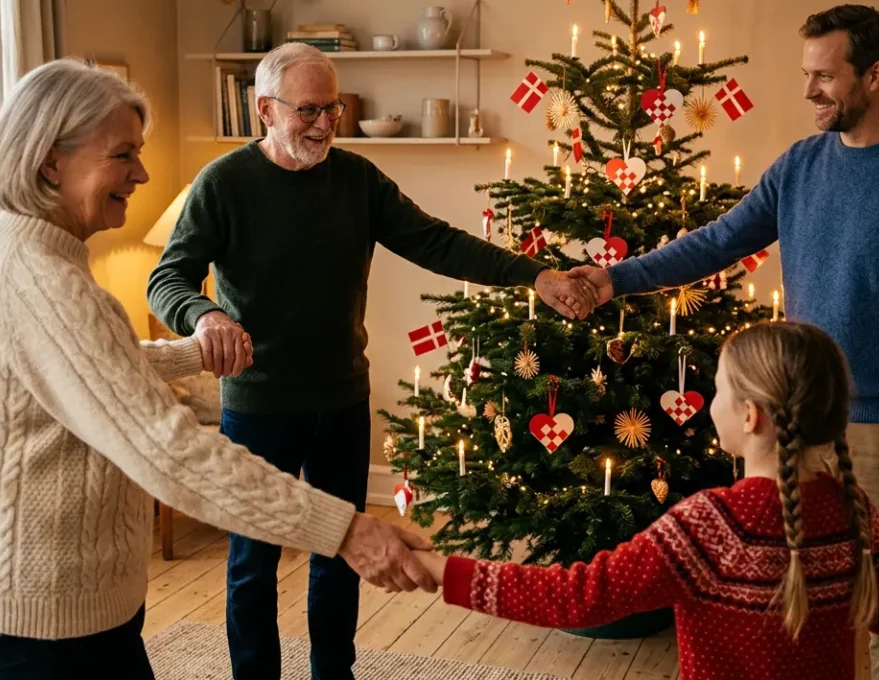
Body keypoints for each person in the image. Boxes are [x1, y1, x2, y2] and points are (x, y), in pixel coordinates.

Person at [0, 58, 438, 679]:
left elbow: (92, 364)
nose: (141, 173)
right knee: (252, 570)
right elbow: (168, 451)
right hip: (42, 603)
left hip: (39, 592)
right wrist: (347, 531)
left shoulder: (16, 250)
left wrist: (195, 353)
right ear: (50, 163)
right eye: (122, 155)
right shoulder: (43, 281)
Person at [145, 42, 597, 680]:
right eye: (308, 110)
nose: (324, 124)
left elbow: (437, 242)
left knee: (341, 555)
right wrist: (205, 315)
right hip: (260, 402)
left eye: (333, 109)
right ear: (264, 110)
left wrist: (536, 275)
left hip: (340, 398)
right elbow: (167, 279)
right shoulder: (223, 184)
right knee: (253, 563)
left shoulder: (356, 179)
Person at [567, 8, 879, 676]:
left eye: (823, 76)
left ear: (875, 74)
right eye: (806, 74)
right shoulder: (801, 164)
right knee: (793, 604)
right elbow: (718, 241)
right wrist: (614, 278)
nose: (808, 90)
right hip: (795, 425)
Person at [413, 322, 879, 680]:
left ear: (750, 416)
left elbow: (577, 597)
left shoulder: (709, 525)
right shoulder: (853, 511)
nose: (712, 403)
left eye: (720, 390)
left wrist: (441, 570)